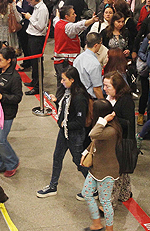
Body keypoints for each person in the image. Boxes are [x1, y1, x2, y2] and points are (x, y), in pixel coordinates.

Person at [37, 67, 89, 198]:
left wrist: (65, 124)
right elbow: (66, 112)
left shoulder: (79, 98)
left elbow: (79, 122)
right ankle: (53, 186)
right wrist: (56, 103)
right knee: (57, 157)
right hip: (64, 132)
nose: (61, 82)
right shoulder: (68, 93)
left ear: (72, 80)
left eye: (64, 79)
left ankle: (93, 187)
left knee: (79, 161)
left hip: (74, 135)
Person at [81, 99, 122, 231]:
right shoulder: (103, 127)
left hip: (106, 172)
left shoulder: (111, 131)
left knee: (105, 202)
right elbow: (95, 141)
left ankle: (109, 229)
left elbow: (93, 134)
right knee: (86, 193)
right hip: (96, 169)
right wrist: (86, 151)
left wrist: (103, 120)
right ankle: (97, 224)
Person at [0, 46, 23, 177]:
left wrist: (2, 97)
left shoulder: (14, 77)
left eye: (0, 60)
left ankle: (13, 162)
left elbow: (18, 97)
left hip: (6, 113)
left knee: (0, 139)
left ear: (9, 61)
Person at [103, 71, 135, 202]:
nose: (104, 89)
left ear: (117, 87)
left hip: (123, 141)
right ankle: (125, 193)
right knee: (123, 172)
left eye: (107, 86)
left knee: (116, 173)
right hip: (113, 140)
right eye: (104, 85)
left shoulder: (126, 101)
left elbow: (128, 123)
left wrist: (110, 119)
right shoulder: (111, 98)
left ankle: (110, 202)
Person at [22, 0, 49, 95]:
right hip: (32, 36)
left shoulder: (42, 9)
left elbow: (41, 26)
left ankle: (38, 86)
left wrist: (30, 18)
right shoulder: (37, 8)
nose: (29, 4)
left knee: (37, 63)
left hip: (37, 38)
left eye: (29, 2)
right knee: (33, 62)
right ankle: (34, 81)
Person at [73, 32, 104, 100]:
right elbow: (97, 89)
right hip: (89, 98)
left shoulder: (78, 58)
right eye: (100, 44)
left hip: (77, 94)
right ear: (96, 45)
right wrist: (103, 103)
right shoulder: (95, 64)